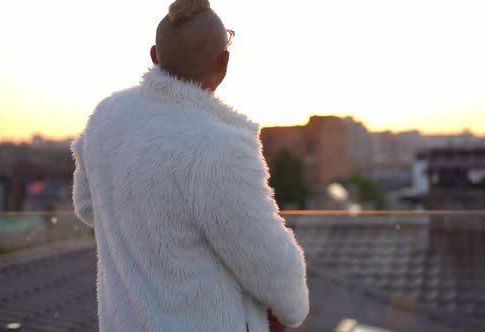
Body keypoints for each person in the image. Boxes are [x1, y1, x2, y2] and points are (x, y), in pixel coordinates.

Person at [70, 0, 309, 331]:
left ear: (154, 57)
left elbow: (86, 206)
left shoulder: (106, 118)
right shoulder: (218, 145)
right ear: (223, 61)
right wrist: (293, 307)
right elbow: (270, 265)